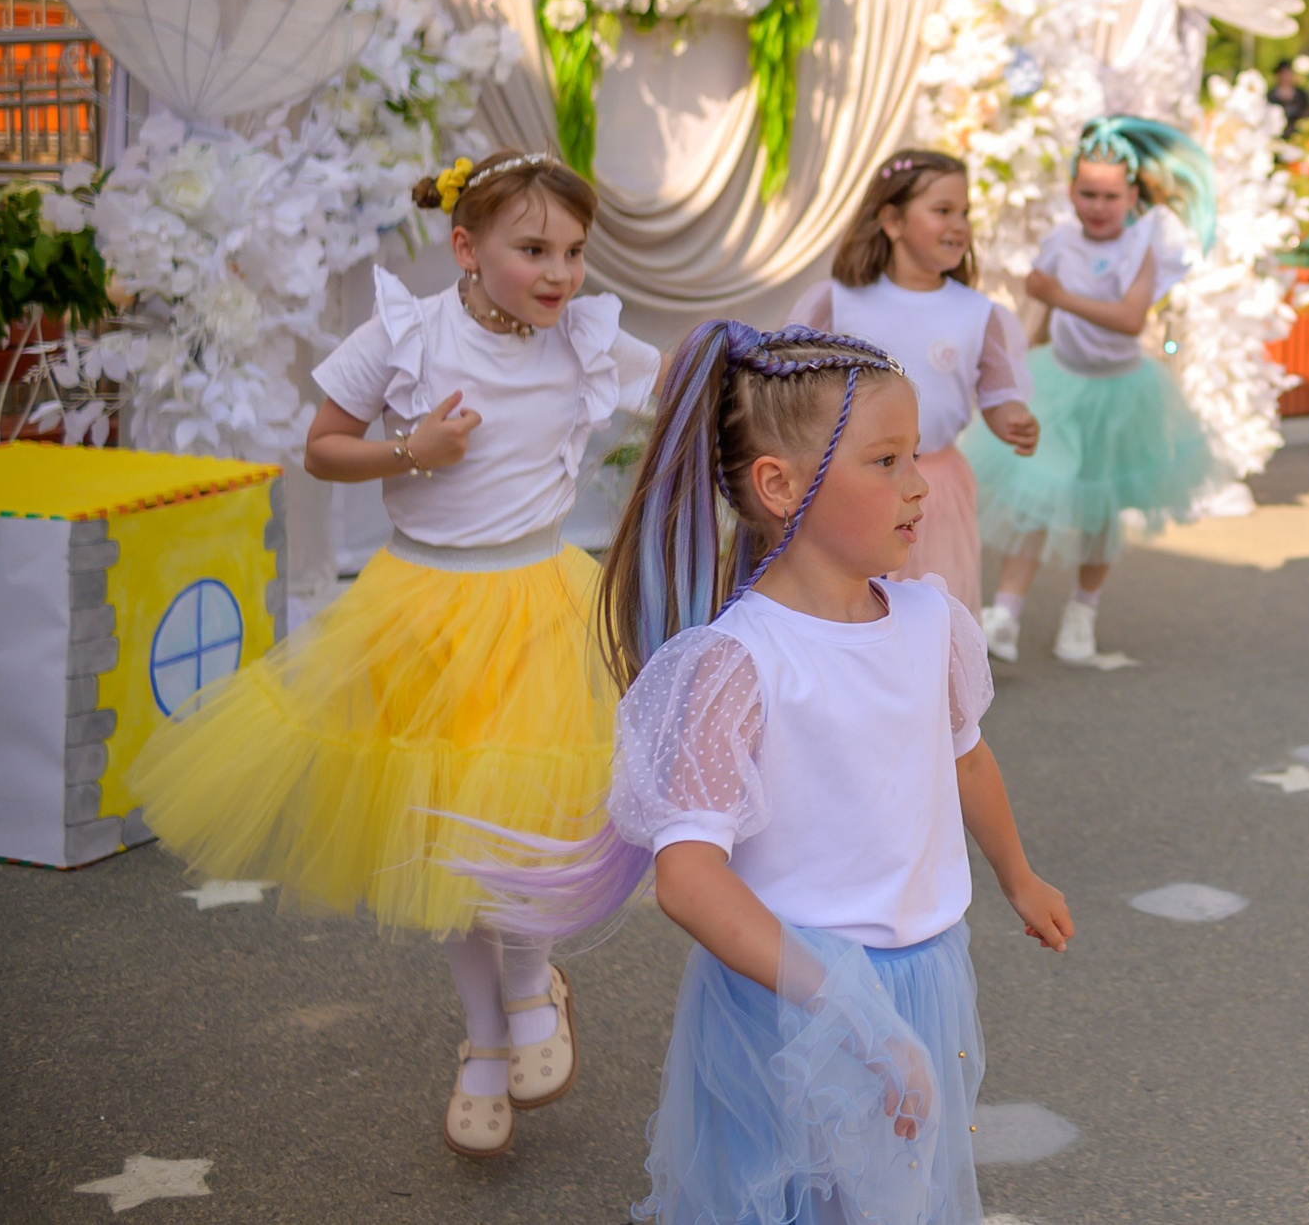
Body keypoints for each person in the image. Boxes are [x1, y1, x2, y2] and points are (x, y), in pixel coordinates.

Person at [459, 323, 1072, 1221]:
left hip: (923, 972)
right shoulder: (737, 663)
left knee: (890, 1199)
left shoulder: (928, 621)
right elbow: (689, 879)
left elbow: (964, 756)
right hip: (790, 997)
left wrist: (1018, 874)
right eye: (887, 460)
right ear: (781, 485)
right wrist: (854, 1015)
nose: (917, 486)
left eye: (914, 459)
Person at [126, 150, 662, 1159]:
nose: (559, 273)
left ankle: (528, 982)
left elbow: (680, 387)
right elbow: (322, 444)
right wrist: (414, 448)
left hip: (538, 598)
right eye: (533, 248)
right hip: (418, 606)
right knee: (442, 834)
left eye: (576, 252)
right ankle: (482, 1036)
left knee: (519, 809)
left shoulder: (583, 338)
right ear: (466, 245)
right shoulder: (407, 333)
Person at [969, 116, 1223, 664]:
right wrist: (1019, 367)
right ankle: (1004, 615)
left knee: (1104, 507)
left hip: (1120, 392)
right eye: (1088, 193)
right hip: (1061, 379)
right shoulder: (1061, 241)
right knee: (1036, 492)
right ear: (1071, 192)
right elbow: (1040, 314)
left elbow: (1131, 319)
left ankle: (1081, 615)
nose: (1099, 206)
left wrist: (1057, 295)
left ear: (1132, 195)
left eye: (1110, 195)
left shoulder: (1143, 244)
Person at [789, 149, 1040, 616]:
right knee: (849, 603)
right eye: (943, 210)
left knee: (934, 606)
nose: (959, 225)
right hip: (853, 480)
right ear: (892, 220)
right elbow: (802, 389)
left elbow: (998, 391)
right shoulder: (839, 303)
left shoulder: (977, 313)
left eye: (964, 212)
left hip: (936, 486)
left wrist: (1014, 419)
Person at [1266, 56, 1309, 132]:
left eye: (1288, 73)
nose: (1286, 76)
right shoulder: (1270, 97)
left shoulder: (1303, 95)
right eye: (1283, 73)